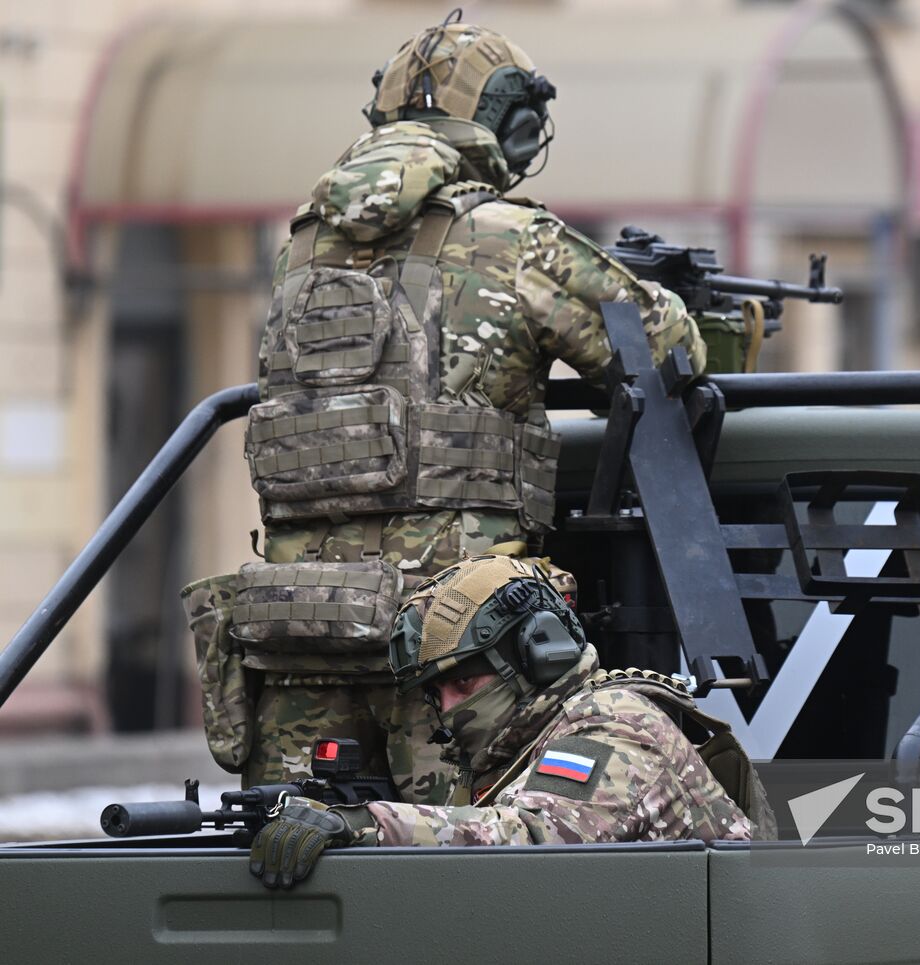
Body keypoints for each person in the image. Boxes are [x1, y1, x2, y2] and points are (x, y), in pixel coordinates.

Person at [214, 11, 706, 805]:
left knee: (291, 858)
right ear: (508, 126)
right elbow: (664, 348)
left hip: (300, 624)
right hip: (452, 646)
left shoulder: (298, 248)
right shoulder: (510, 238)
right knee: (459, 885)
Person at [248, 556, 764, 890]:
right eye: (436, 692)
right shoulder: (530, 738)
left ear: (538, 654)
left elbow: (536, 840)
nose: (448, 709)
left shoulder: (610, 726)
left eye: (464, 683)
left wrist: (366, 823)